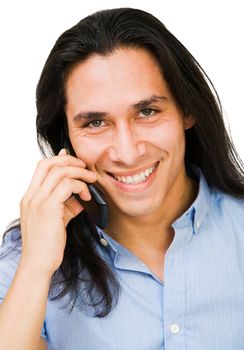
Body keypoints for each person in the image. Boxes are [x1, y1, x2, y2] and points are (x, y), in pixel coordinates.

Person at [0, 7, 244, 350]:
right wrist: (37, 267)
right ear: (67, 139)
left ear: (187, 110)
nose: (127, 153)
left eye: (147, 112)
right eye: (95, 123)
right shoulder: (25, 261)